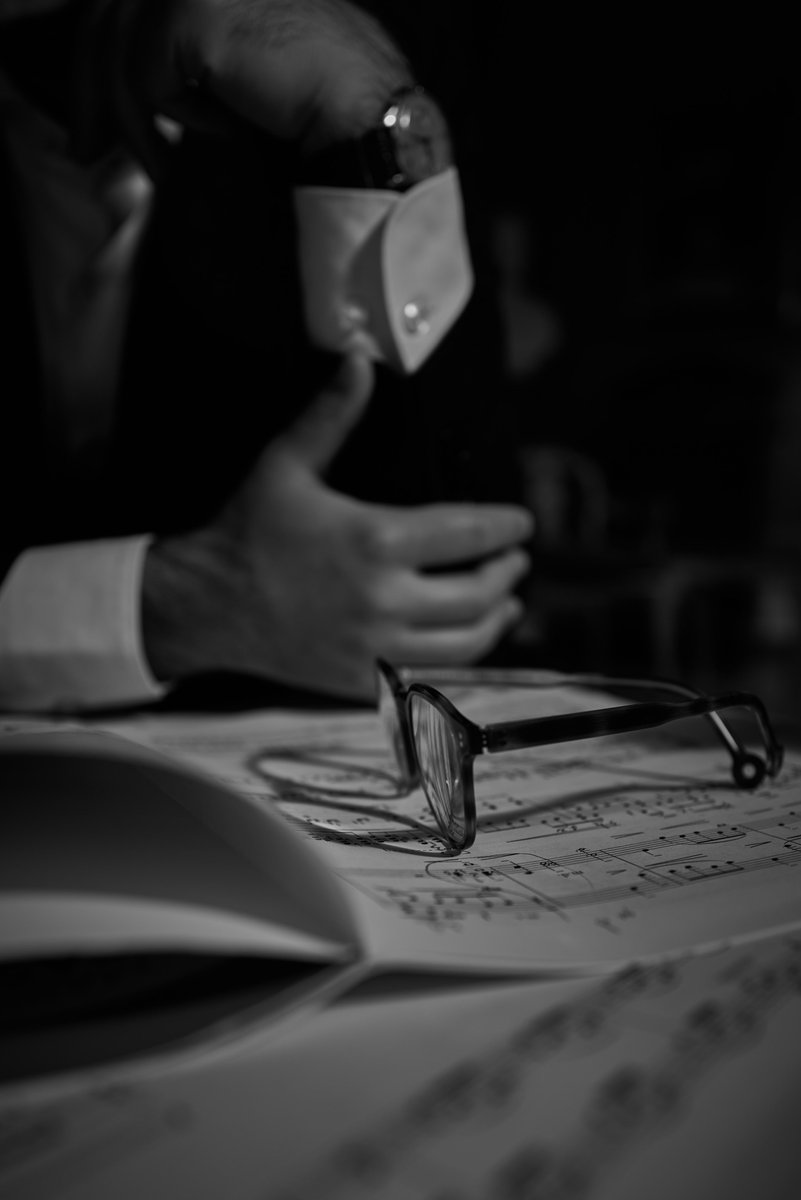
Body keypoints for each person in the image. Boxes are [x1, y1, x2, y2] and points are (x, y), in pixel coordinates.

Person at [0, 0, 534, 712]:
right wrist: (169, 606)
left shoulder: (334, 55)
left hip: (234, 789)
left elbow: (442, 588)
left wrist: (364, 121)